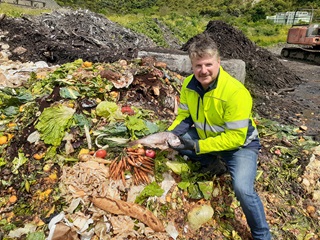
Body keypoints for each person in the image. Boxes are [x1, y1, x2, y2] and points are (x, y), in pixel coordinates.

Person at [167, 33, 271, 240]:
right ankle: (215, 165)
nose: (203, 70)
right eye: (198, 65)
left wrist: (197, 146)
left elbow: (235, 138)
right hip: (208, 138)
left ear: (218, 62)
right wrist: (169, 134)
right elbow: (185, 117)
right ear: (192, 65)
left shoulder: (235, 92)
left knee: (242, 188)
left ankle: (262, 235)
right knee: (176, 142)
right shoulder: (189, 84)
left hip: (239, 146)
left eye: (208, 64)